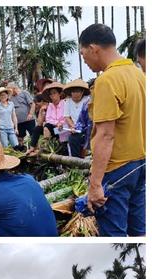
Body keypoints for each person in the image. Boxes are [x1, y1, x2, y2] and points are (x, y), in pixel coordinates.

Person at [79, 23, 145, 236]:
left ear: (94, 48)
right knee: (139, 230)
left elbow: (106, 135)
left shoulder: (107, 80)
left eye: (83, 54)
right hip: (140, 164)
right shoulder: (138, 75)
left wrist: (95, 183)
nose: (85, 60)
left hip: (117, 168)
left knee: (113, 232)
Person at [62, 79, 90, 157]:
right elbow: (67, 116)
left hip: (87, 127)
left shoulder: (87, 100)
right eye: (74, 92)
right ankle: (76, 161)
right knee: (72, 139)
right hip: (76, 128)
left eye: (78, 91)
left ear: (82, 92)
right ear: (71, 93)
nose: (75, 94)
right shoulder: (68, 101)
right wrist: (72, 126)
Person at [8, 82, 35, 149]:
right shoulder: (10, 97)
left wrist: (31, 114)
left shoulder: (24, 93)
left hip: (29, 120)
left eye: (10, 90)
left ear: (14, 88)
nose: (9, 92)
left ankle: (35, 149)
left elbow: (33, 104)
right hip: (18, 122)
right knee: (20, 137)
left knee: (33, 135)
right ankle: (21, 150)